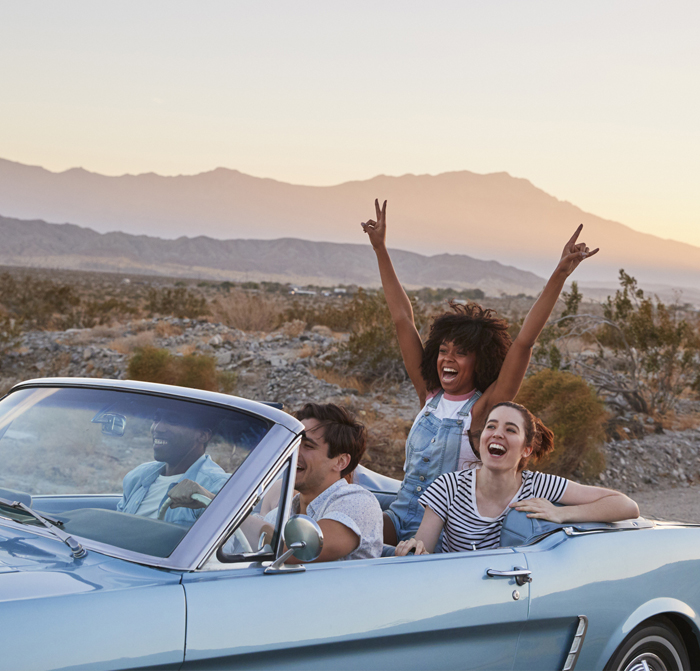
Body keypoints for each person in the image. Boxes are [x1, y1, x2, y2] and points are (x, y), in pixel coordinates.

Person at [361, 199, 599, 546]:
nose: (447, 359)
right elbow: (402, 319)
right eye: (443, 350)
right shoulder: (429, 396)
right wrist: (380, 249)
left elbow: (523, 343)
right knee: (348, 528)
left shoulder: (481, 411)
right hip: (399, 517)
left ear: (482, 360)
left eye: (460, 353)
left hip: (441, 533)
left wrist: (560, 273)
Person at [395, 402, 639, 555]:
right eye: (491, 427)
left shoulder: (540, 485)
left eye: (510, 430)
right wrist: (412, 549)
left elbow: (627, 506)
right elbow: (423, 552)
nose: (497, 434)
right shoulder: (448, 487)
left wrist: (561, 514)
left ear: (526, 449)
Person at [117, 409, 229, 526]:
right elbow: (115, 529)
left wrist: (211, 499)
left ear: (202, 435)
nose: (157, 428)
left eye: (173, 421)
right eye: (156, 419)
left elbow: (240, 538)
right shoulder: (139, 475)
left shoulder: (218, 486)